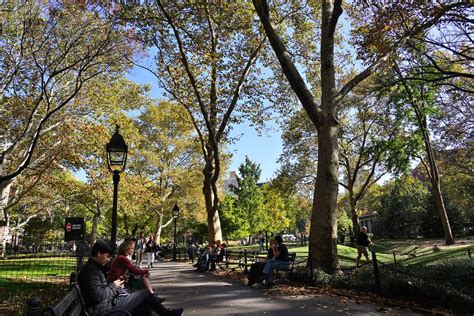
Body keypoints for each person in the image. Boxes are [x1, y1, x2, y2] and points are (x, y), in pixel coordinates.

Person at [78, 240, 183, 316]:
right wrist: (114, 286)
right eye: (107, 256)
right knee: (145, 294)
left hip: (107, 304)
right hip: (104, 309)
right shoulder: (90, 272)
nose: (109, 259)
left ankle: (167, 313)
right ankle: (167, 314)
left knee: (144, 303)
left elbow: (101, 292)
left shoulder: (95, 268)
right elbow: (98, 296)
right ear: (99, 253)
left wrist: (116, 287)